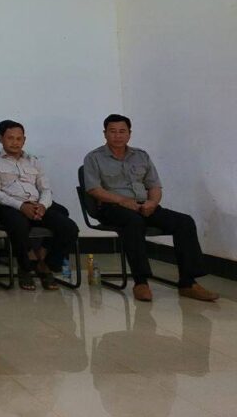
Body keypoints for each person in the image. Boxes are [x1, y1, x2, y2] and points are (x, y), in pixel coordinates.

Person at [83, 114, 217, 303]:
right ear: (105, 133)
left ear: (129, 134)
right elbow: (94, 189)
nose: (118, 136)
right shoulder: (94, 157)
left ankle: (188, 283)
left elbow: (154, 186)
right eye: (112, 131)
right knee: (133, 221)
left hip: (143, 205)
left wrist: (152, 203)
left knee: (184, 222)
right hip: (111, 207)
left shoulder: (141, 156)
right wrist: (122, 201)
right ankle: (141, 282)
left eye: (122, 131)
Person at [0, 120, 79, 290]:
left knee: (69, 228)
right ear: (0, 139)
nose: (15, 142)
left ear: (24, 139)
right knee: (18, 224)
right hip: (10, 206)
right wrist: (21, 206)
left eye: (19, 138)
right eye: (10, 138)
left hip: (37, 204)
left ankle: (45, 265)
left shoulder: (33, 161)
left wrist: (42, 205)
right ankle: (25, 268)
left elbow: (46, 188)